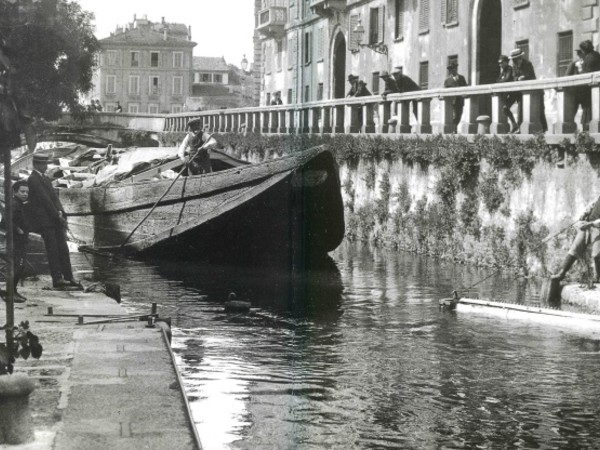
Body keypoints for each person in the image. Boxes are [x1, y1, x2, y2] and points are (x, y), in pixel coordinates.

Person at [27, 153, 79, 289]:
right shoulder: (33, 179)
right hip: (44, 221)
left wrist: (62, 213)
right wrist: (57, 215)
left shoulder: (45, 179)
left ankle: (69, 277)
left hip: (54, 219)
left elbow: (54, 198)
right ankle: (57, 279)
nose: (46, 166)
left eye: (46, 164)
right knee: (53, 249)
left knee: (63, 247)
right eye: (44, 164)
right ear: (37, 164)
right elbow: (45, 200)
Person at [552, 196, 600, 282]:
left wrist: (590, 224)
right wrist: (585, 212)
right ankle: (561, 273)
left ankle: (598, 277)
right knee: (575, 248)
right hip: (587, 224)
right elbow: (594, 204)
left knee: (596, 255)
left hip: (597, 228)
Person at [11, 180, 30, 302]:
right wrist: (18, 229)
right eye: (22, 191)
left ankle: (13, 291)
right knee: (18, 266)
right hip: (15, 240)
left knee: (20, 266)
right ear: (15, 192)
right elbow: (6, 221)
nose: (25, 194)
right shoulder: (14, 204)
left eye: (27, 192)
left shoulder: (20, 204)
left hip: (20, 240)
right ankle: (10, 292)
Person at [579, 40, 600, 129]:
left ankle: (587, 129)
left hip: (589, 89)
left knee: (588, 110)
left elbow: (586, 72)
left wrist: (580, 69)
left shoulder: (589, 58)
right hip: (595, 87)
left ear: (584, 50)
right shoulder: (597, 55)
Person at [443, 62, 468, 126]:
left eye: (454, 69)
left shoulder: (462, 78)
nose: (452, 71)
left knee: (459, 114)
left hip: (460, 100)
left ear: (456, 69)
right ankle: (453, 129)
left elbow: (466, 87)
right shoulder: (447, 80)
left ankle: (455, 128)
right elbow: (445, 91)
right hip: (452, 101)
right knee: (453, 115)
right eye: (451, 70)